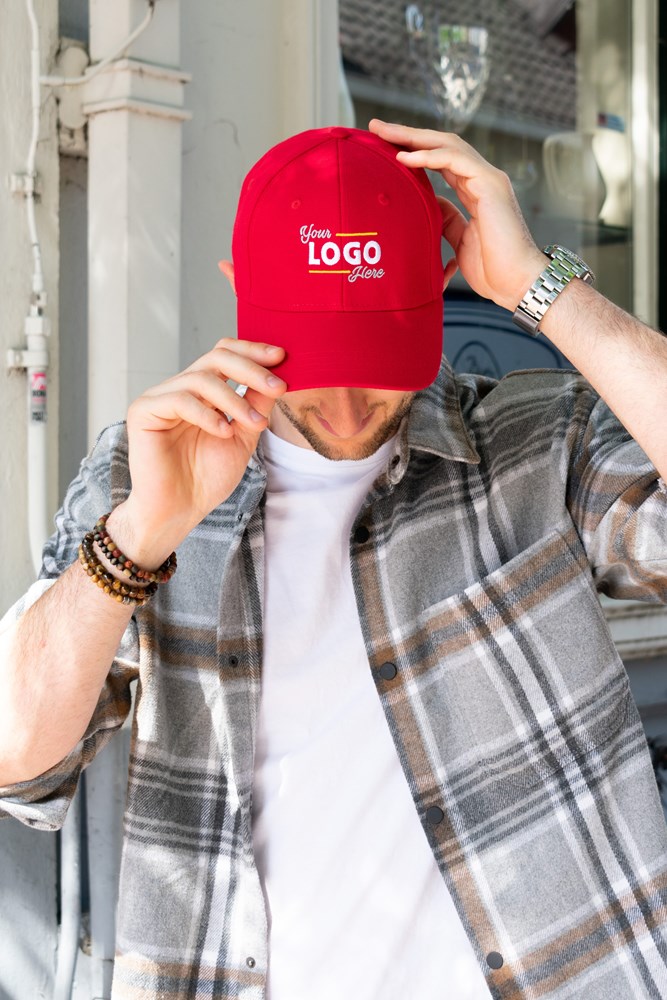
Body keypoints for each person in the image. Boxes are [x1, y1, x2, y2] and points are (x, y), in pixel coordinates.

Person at [1, 119, 667, 1000]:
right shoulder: (140, 473)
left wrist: (540, 287)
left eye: (379, 361)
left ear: (437, 287)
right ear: (239, 292)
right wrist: (140, 535)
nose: (350, 412)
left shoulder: (534, 442)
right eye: (318, 361)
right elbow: (17, 758)